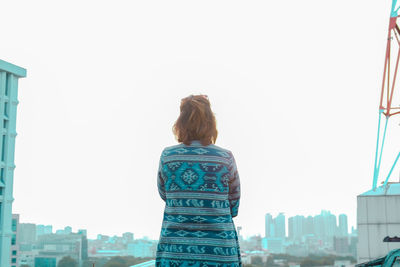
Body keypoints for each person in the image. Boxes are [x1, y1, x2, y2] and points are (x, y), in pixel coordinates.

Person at [156, 94, 242, 267]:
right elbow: (233, 205)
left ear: (180, 123)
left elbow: (165, 195)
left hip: (175, 253)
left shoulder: (168, 156)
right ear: (211, 123)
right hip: (219, 254)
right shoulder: (225, 157)